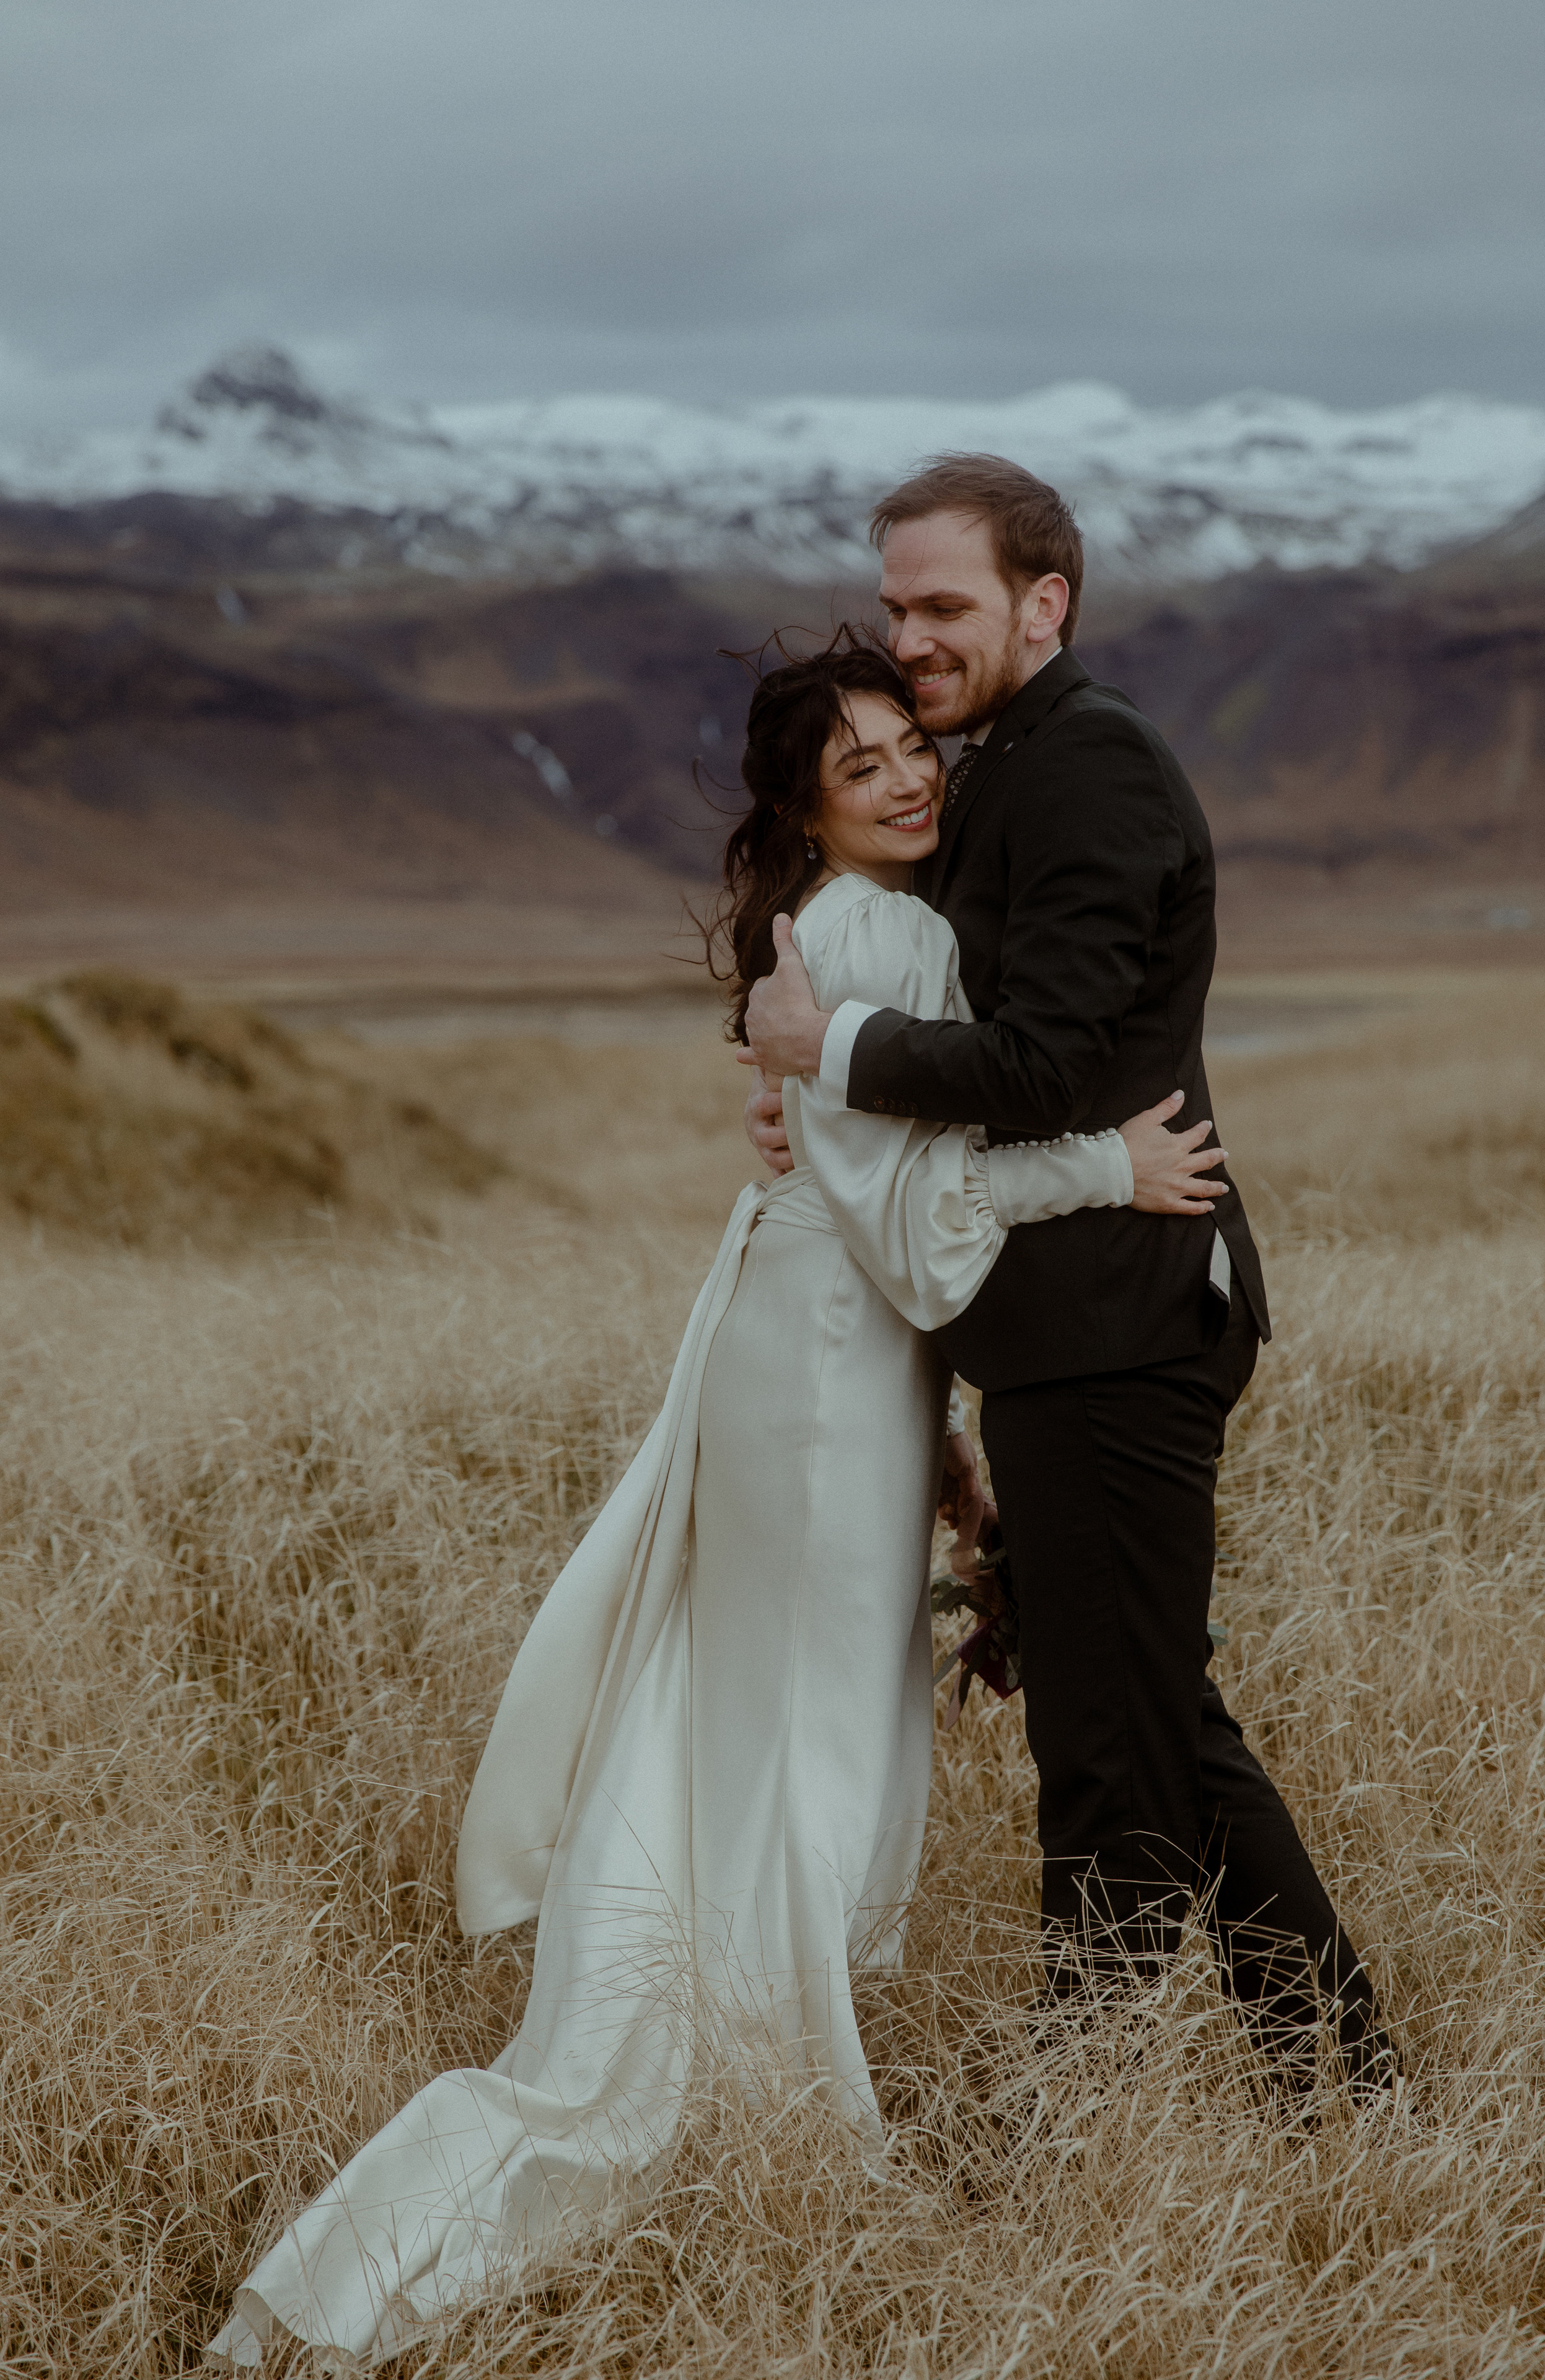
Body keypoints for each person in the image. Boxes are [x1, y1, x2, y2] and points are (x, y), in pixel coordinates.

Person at [209, 637, 1220, 2368]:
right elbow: (918, 1229)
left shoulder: (844, 931)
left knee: (756, 1720)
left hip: (818, 1352)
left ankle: (736, 2056)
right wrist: (1102, 1165)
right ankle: (783, 2108)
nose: (905, 777)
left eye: (910, 745)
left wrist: (934, 1419)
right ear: (804, 809)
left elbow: (870, 1178)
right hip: (826, 1364)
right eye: (858, 765)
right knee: (808, 1737)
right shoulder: (876, 934)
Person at [743, 457, 1393, 2091]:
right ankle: (1342, 2077)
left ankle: (1072, 2108)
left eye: (943, 605)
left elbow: (1051, 1063)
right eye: (895, 606)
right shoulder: (1008, 768)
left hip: (1121, 1321)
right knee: (1153, 1716)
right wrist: (807, 1092)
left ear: (1046, 604)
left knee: (1111, 1749)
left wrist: (836, 1052)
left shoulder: (1086, 766)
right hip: (1073, 1327)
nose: (911, 637)